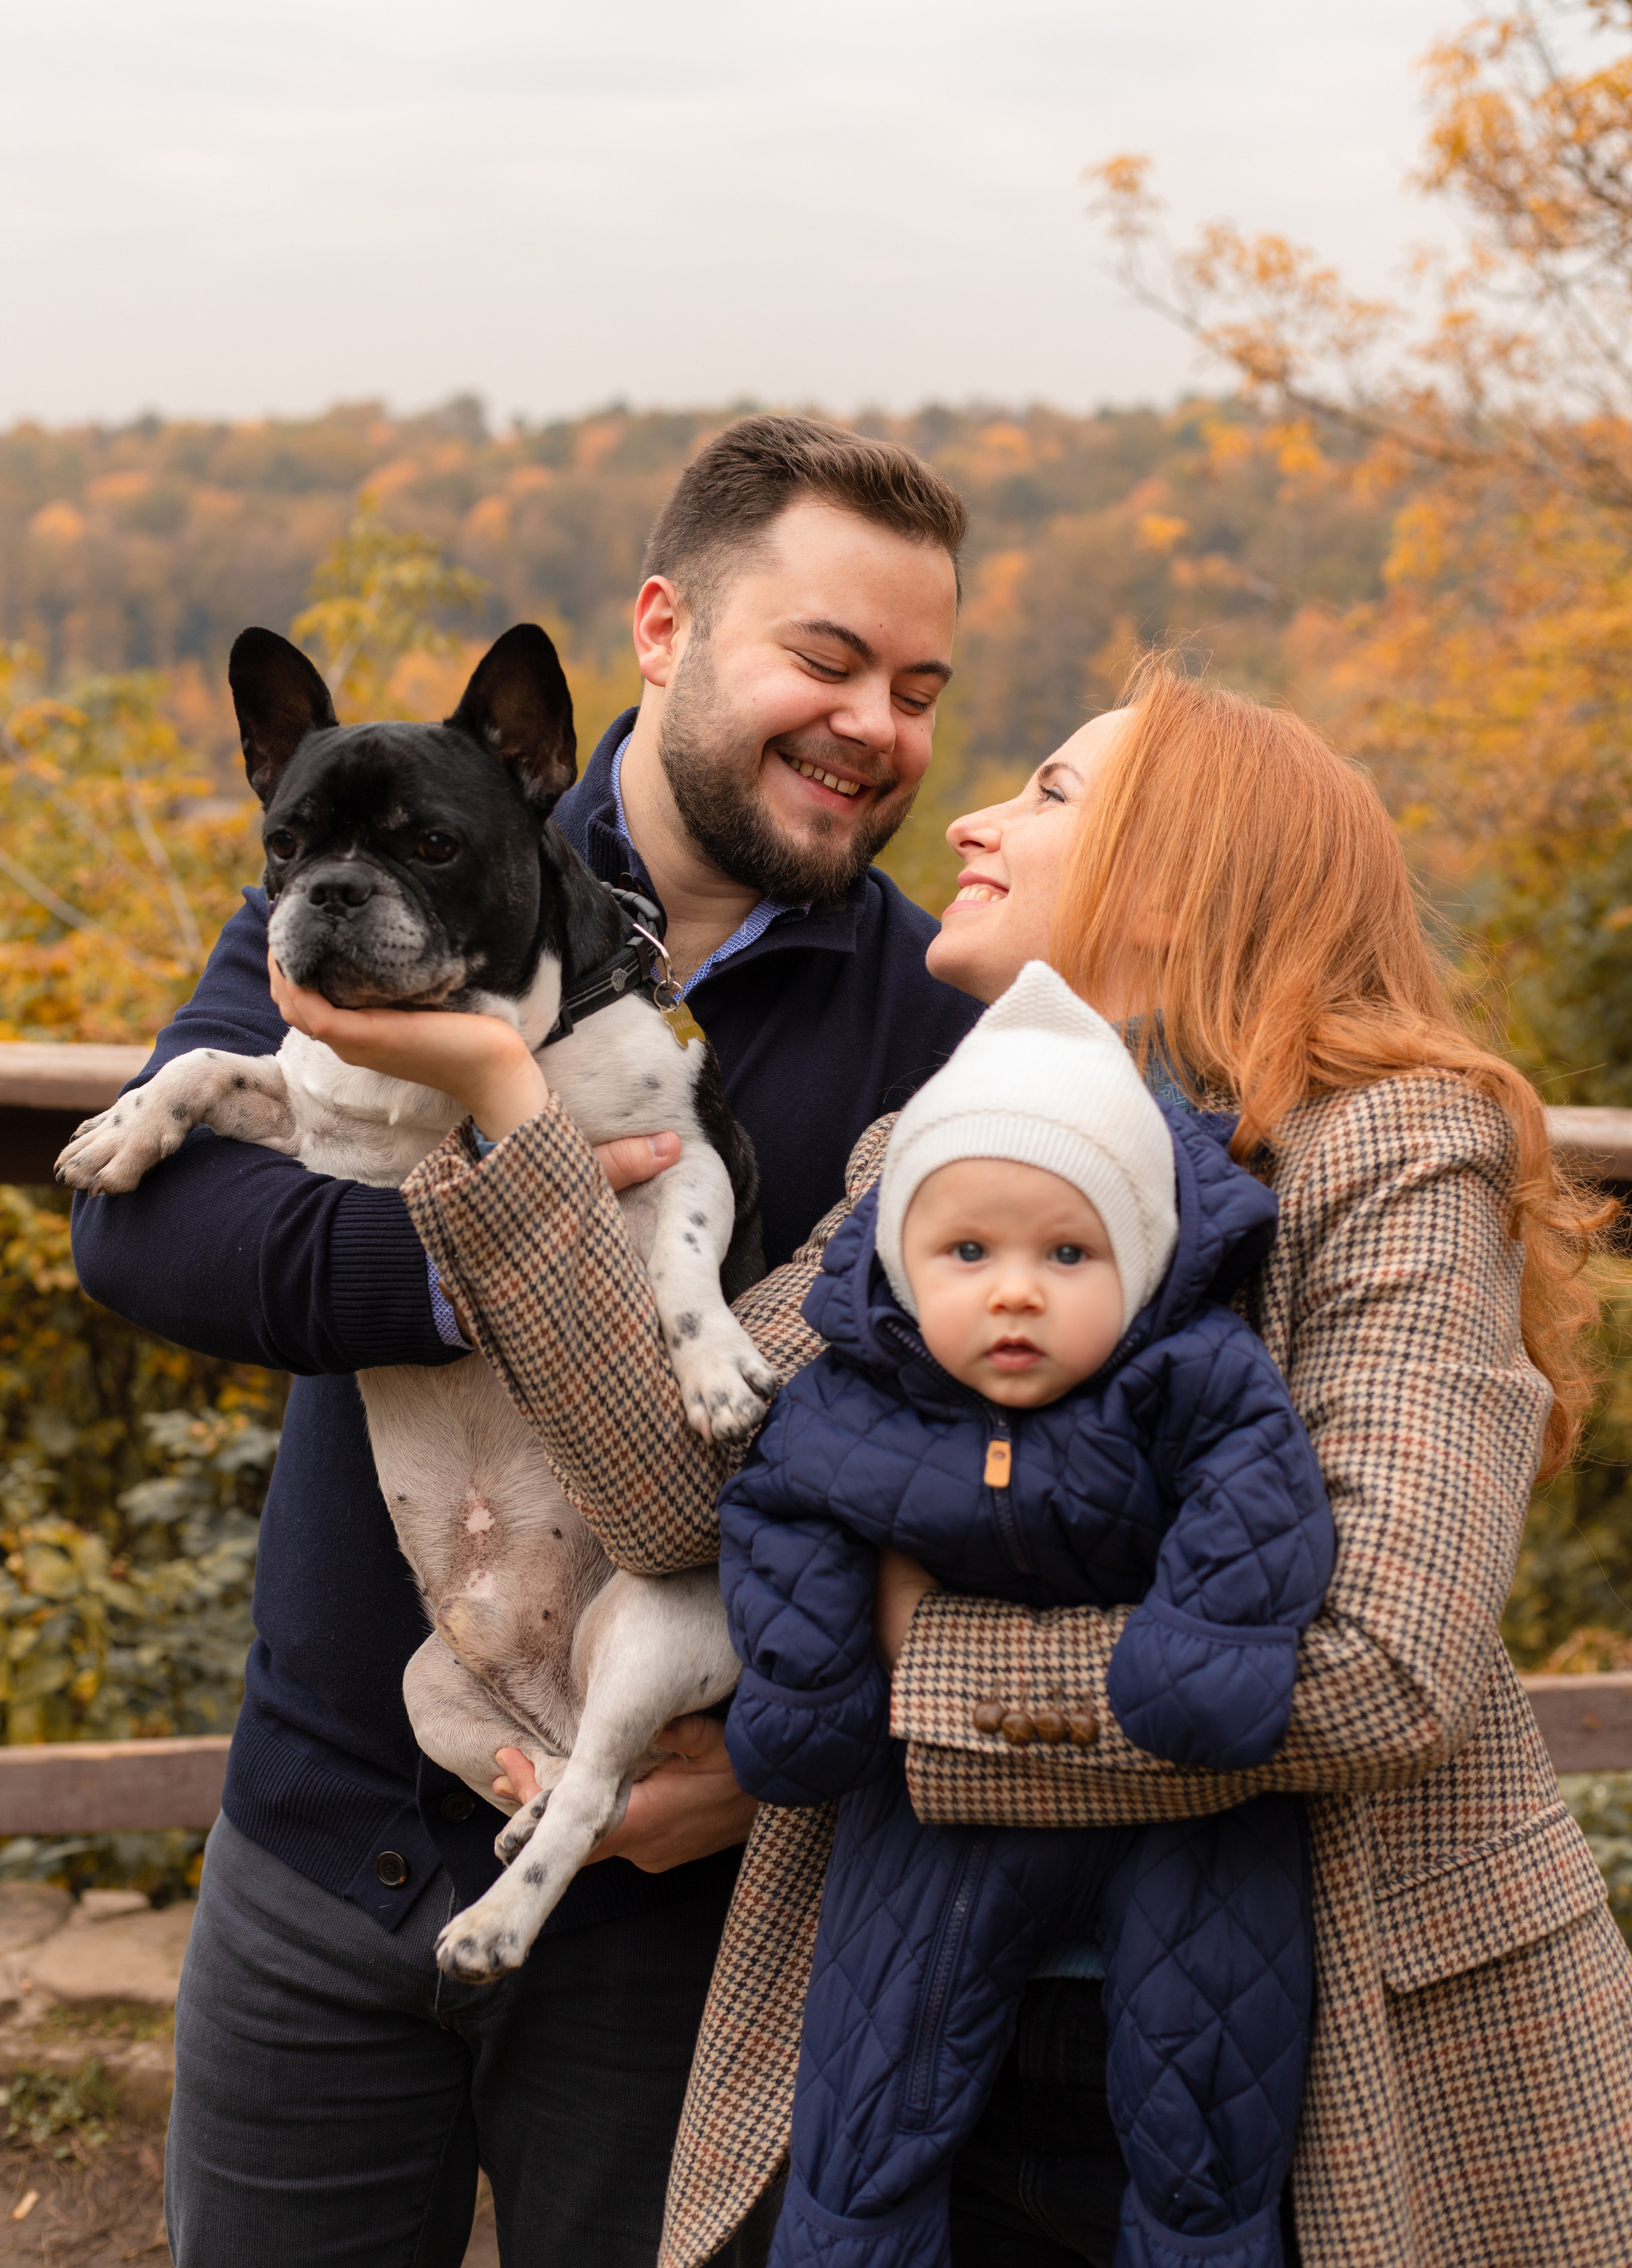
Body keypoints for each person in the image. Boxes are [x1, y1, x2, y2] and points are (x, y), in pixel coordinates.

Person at [309, 656, 1632, 2268]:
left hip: (1310, 2052)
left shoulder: (1395, 1147)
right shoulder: (925, 1151)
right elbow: (672, 1500)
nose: (971, 819)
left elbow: (1376, 1669)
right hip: (918, 2002)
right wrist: (505, 1103)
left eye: (1050, 792)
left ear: (1187, 870)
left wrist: (894, 1664)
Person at [69, 414, 983, 2268]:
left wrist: (793, 1747)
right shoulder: (388, 848)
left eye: (916, 690)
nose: (872, 726)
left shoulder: (933, 1015)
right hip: (328, 1822)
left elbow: (960, 1455)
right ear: (661, 629)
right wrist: (487, 1254)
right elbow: (148, 1227)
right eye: (825, 659)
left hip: (687, 1900)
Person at [717, 962, 1334, 2268]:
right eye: (967, 1253)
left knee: (1206, 2111)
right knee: (869, 2104)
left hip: (1187, 1817)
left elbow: (1257, 1498)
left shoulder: (1192, 1375)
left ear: (1144, 1261)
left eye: (1068, 1254)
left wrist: (1202, 1656)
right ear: (901, 1264)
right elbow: (776, 1511)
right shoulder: (853, 1399)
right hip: (934, 1816)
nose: (1014, 1292)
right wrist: (809, 1687)